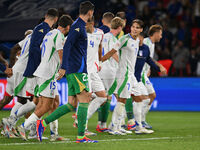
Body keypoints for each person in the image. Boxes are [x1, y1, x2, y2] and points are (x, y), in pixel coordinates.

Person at [36, 1, 97, 143]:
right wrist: (63, 67)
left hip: (75, 69)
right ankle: (81, 136)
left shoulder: (78, 26)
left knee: (72, 103)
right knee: (85, 98)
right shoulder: (78, 26)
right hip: (77, 70)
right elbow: (68, 45)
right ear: (90, 13)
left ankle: (43, 123)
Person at [16, 15, 72, 141]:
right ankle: (23, 127)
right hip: (48, 74)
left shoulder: (49, 33)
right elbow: (60, 53)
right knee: (46, 106)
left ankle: (52, 134)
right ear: (67, 27)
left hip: (43, 71)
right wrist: (63, 69)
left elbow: (42, 49)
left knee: (53, 102)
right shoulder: (59, 35)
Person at [96, 17, 124, 133]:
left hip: (102, 69)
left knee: (104, 97)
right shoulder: (112, 38)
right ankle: (116, 125)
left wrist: (99, 62)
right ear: (120, 28)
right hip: (111, 71)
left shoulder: (104, 36)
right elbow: (112, 53)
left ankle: (101, 125)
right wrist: (122, 64)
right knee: (120, 96)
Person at [141, 24, 163, 129]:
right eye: (160, 34)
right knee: (148, 96)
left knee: (149, 96)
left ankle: (140, 120)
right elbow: (145, 58)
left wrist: (148, 69)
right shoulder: (145, 42)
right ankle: (138, 121)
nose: (161, 36)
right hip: (139, 74)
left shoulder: (151, 43)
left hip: (144, 73)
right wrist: (160, 66)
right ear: (156, 33)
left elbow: (147, 59)